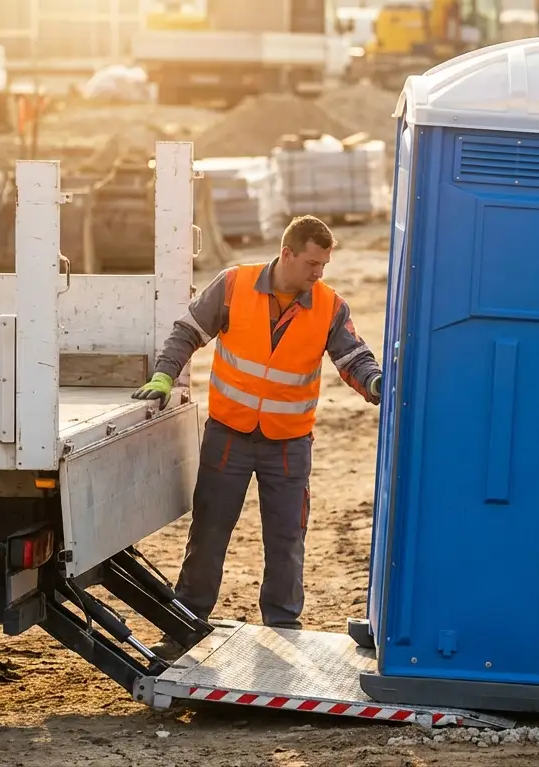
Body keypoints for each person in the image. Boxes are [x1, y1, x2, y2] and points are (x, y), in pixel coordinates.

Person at [130, 215, 383, 654]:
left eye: (323, 265)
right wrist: (164, 376)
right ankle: (185, 623)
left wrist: (377, 385)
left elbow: (353, 357)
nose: (318, 273)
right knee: (209, 532)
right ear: (286, 254)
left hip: (288, 443)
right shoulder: (234, 285)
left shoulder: (328, 305)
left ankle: (283, 632)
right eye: (311, 263)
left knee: (287, 540)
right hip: (229, 435)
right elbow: (187, 332)